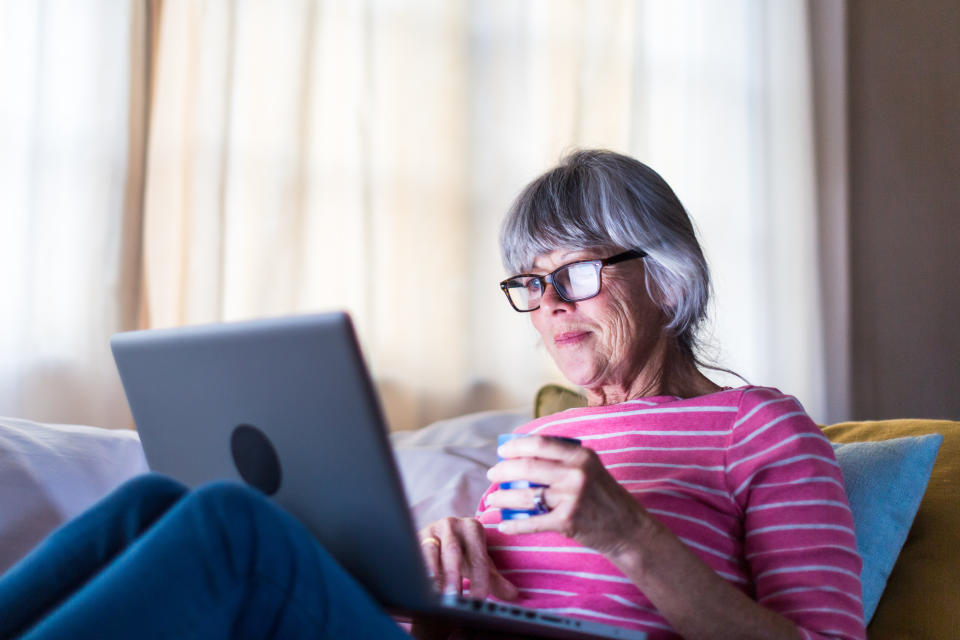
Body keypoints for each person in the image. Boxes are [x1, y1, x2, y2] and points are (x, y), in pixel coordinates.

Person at [0, 149, 865, 640]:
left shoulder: (758, 428)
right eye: (531, 282)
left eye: (578, 272)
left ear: (668, 279)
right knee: (152, 503)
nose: (551, 303)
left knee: (231, 524)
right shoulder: (537, 446)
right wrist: (452, 589)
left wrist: (632, 537)